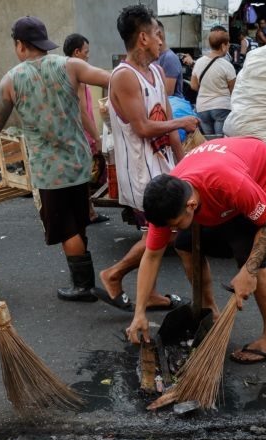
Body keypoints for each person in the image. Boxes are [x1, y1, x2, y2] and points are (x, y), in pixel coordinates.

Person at [0, 16, 111, 303]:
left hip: (49, 170)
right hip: (78, 162)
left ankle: (83, 285)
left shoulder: (11, 80)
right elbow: (112, 78)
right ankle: (83, 279)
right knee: (79, 219)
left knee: (65, 227)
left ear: (21, 45)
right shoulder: (70, 65)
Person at [126, 137, 266, 365]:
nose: (170, 230)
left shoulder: (229, 184)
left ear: (191, 205)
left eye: (174, 223)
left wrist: (249, 271)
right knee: (183, 244)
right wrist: (139, 313)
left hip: (260, 177)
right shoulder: (167, 199)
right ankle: (210, 310)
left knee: (249, 255)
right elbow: (152, 255)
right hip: (222, 175)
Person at [93, 4, 199, 312]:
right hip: (140, 171)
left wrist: (183, 166)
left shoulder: (155, 70)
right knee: (162, 234)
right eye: (157, 34)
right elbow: (142, 126)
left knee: (161, 235)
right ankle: (113, 275)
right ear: (142, 38)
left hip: (162, 167)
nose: (161, 42)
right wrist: (182, 122)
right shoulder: (123, 77)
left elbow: (164, 120)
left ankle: (145, 291)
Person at [63, 33, 110, 224]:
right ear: (77, 52)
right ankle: (87, 213)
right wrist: (97, 138)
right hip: (82, 134)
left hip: (75, 133)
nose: (88, 56)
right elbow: (82, 112)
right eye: (86, 52)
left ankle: (87, 211)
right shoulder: (77, 76)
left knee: (82, 176)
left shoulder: (64, 72)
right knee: (88, 176)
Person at [190, 26, 236, 137]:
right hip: (222, 107)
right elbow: (233, 90)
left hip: (202, 109)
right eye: (228, 44)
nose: (229, 46)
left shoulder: (199, 62)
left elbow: (194, 86)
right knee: (220, 141)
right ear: (223, 46)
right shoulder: (227, 65)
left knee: (209, 142)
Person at [154, 19, 184, 99]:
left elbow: (168, 92)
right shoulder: (154, 58)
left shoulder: (169, 58)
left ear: (159, 35)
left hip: (172, 108)